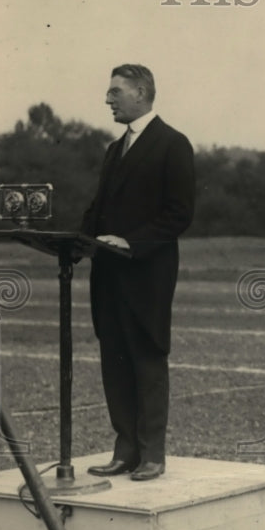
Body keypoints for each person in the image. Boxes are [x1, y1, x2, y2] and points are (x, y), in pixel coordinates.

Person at [81, 64, 195, 481]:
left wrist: (131, 242)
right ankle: (125, 450)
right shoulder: (114, 149)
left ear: (141, 93)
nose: (107, 99)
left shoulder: (173, 144)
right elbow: (98, 209)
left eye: (115, 91)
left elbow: (179, 214)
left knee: (147, 362)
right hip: (108, 277)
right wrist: (77, 242)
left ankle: (152, 455)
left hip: (147, 277)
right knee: (114, 363)